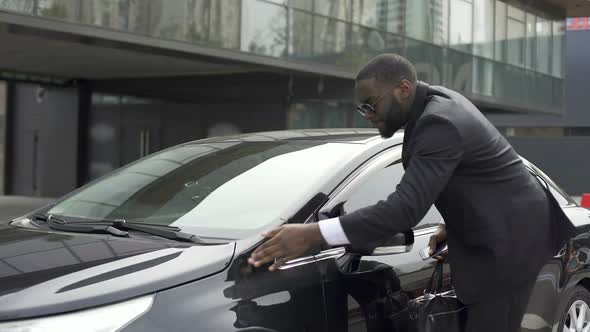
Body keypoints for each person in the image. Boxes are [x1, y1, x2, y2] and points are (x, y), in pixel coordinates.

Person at [247, 53, 576, 332]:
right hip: (504, 225)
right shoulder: (435, 104)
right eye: (362, 108)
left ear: (403, 89)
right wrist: (457, 224)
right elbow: (478, 176)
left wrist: (313, 234)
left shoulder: (440, 123)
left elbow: (403, 209)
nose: (368, 116)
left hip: (510, 244)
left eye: (370, 105)